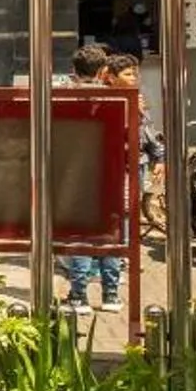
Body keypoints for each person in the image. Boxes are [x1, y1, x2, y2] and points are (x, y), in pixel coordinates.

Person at [54, 42, 126, 315]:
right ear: (104, 71)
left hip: (74, 175)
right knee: (109, 235)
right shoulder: (118, 98)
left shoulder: (64, 97)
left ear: (73, 69)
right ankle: (111, 294)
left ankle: (79, 296)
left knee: (80, 235)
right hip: (111, 172)